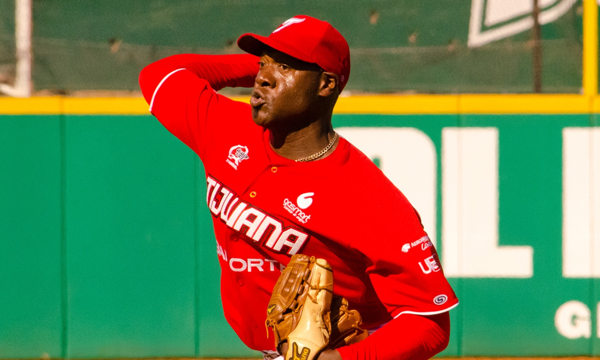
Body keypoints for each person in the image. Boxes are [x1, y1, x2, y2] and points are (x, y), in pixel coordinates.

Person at [139, 15, 458, 360]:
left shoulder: (367, 196)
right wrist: (263, 69)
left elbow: (430, 324)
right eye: (263, 63)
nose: (263, 77)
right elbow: (159, 76)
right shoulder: (225, 129)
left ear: (325, 85)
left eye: (286, 65)